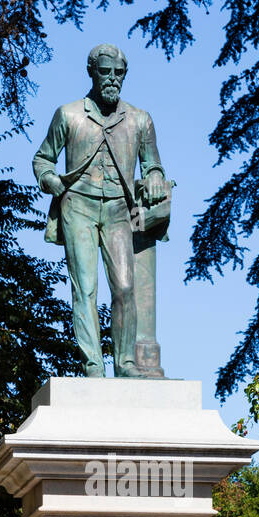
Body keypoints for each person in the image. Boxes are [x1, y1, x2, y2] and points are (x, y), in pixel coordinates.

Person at [33, 44, 168, 378]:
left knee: (124, 288)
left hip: (120, 209)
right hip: (77, 203)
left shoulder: (140, 119)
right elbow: (42, 158)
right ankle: (93, 366)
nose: (112, 79)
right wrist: (50, 179)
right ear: (91, 71)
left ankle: (124, 364)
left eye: (118, 73)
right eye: (105, 72)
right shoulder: (68, 114)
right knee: (85, 287)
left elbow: (154, 167)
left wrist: (153, 178)